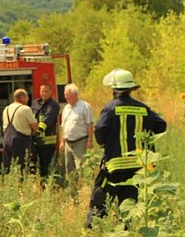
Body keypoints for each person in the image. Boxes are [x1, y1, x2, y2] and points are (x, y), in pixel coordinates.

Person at [86, 69, 167, 227]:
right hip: (136, 168)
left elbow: (100, 131)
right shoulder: (143, 109)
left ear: (114, 89)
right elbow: (161, 125)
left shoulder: (110, 109)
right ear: (131, 89)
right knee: (128, 207)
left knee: (100, 204)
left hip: (114, 167)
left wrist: (106, 144)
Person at [59, 83, 94, 184]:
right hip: (68, 143)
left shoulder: (85, 107)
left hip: (80, 141)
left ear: (75, 94)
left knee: (81, 167)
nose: (65, 97)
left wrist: (90, 140)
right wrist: (62, 141)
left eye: (67, 94)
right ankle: (73, 191)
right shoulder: (66, 108)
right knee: (69, 169)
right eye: (65, 94)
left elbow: (90, 124)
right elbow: (63, 126)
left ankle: (84, 188)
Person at [1, 88, 38, 173]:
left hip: (6, 140)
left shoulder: (6, 109)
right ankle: (21, 183)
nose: (28, 99)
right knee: (22, 167)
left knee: (8, 166)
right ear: (22, 97)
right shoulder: (25, 109)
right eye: (27, 97)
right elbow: (35, 126)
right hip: (20, 142)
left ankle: (8, 182)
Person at [30, 83, 60, 179]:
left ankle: (48, 184)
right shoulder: (35, 103)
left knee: (46, 165)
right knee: (33, 164)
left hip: (47, 141)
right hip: (36, 140)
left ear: (50, 92)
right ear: (39, 92)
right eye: (42, 91)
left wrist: (37, 132)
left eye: (46, 91)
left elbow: (48, 119)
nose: (44, 93)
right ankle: (37, 183)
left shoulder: (53, 105)